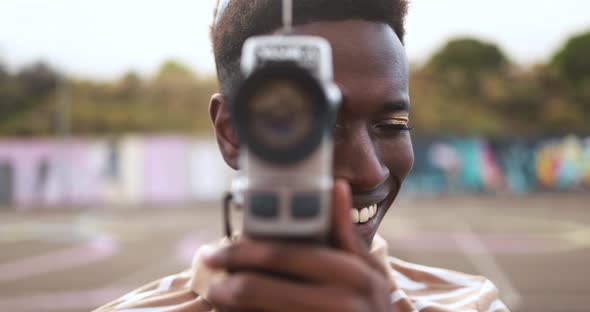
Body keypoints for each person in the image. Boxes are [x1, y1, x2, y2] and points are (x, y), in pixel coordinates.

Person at [94, 0, 509, 311]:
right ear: (231, 132)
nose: (369, 171)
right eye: (321, 124)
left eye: (393, 124)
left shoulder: (473, 304)